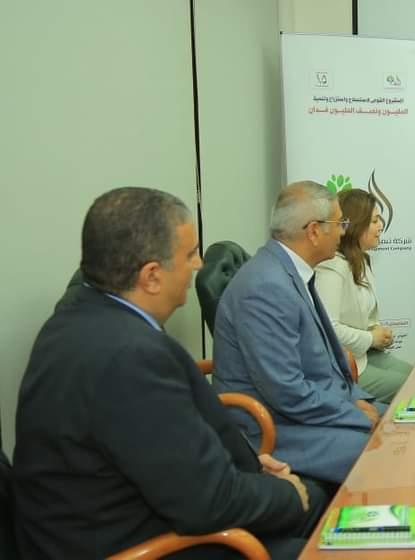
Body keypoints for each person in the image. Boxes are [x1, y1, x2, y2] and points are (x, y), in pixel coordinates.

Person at [14, 187, 323, 559]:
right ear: (151, 276)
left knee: (320, 505)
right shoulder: (130, 356)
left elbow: (156, 448)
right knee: (319, 522)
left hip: (129, 513)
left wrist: (247, 470)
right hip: (145, 543)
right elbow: (209, 503)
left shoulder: (77, 316)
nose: (198, 265)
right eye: (190, 254)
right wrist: (287, 494)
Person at [213, 181, 383, 485]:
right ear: (314, 231)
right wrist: (354, 414)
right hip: (273, 429)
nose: (343, 232)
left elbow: (327, 365)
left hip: (309, 413)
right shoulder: (266, 286)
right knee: (385, 449)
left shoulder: (290, 271)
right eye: (340, 223)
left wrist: (355, 400)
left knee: (403, 419)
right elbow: (286, 391)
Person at [314, 189, 411, 404]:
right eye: (374, 221)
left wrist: (377, 332)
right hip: (342, 366)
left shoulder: (360, 261)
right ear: (356, 226)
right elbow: (329, 330)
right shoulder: (332, 267)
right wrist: (371, 337)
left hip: (366, 354)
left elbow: (358, 316)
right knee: (414, 385)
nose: (381, 226)